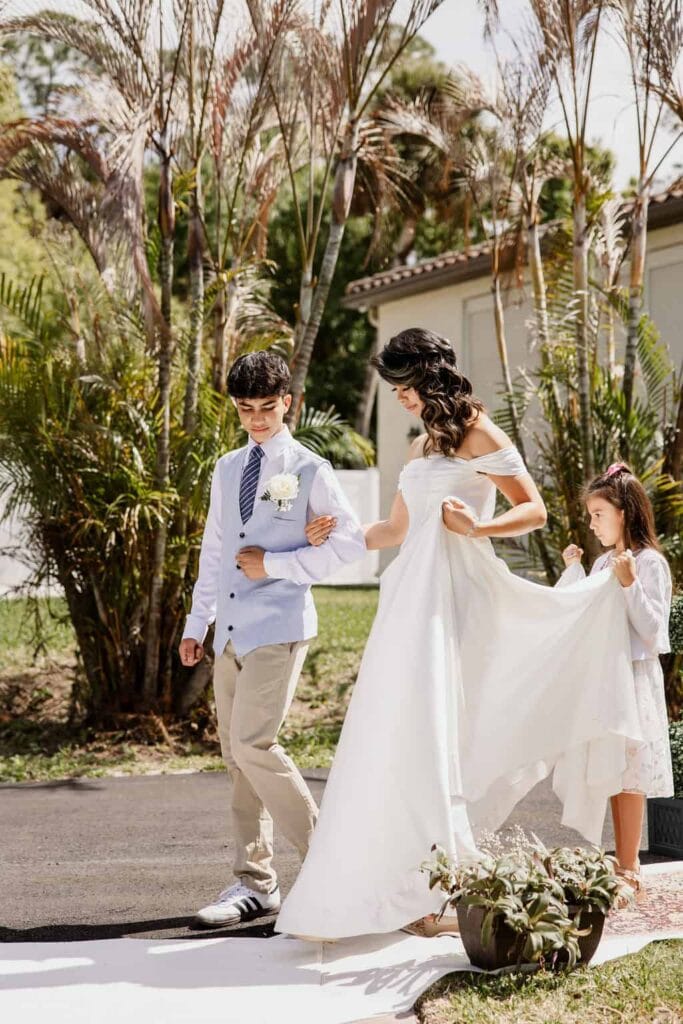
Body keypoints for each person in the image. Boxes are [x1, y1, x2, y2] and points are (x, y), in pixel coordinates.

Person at [275, 327, 642, 942]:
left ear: (427, 377)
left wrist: (478, 529)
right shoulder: (421, 447)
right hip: (407, 605)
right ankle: (405, 889)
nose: (398, 398)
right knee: (395, 731)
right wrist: (332, 533)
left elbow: (535, 510)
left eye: (402, 386)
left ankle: (437, 887)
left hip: (455, 601)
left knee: (437, 730)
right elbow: (394, 530)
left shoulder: (480, 432)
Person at [179, 350, 366, 927]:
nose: (257, 419)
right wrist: (196, 623)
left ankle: (332, 867)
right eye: (245, 409)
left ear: (289, 403)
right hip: (231, 631)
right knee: (237, 759)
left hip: (279, 627)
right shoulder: (227, 467)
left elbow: (350, 546)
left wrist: (278, 565)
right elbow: (215, 548)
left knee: (253, 745)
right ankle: (255, 884)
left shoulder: (310, 469)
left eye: (267, 407)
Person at [556, 461, 674, 902]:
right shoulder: (604, 560)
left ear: (624, 511)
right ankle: (625, 862)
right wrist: (573, 572)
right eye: (590, 515)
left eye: (599, 514)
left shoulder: (649, 563)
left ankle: (630, 867)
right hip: (606, 677)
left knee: (630, 772)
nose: (592, 523)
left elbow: (652, 630)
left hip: (635, 676)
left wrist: (629, 585)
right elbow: (583, 612)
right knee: (611, 766)